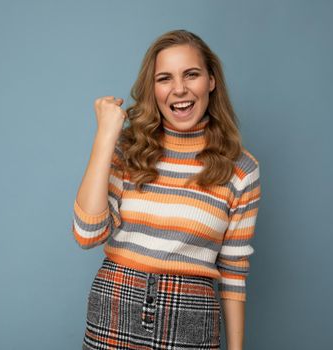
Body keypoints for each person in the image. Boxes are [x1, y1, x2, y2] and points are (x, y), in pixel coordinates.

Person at [72, 29, 261, 350]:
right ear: (153, 88)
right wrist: (105, 137)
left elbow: (233, 272)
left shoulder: (241, 169)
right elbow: (87, 233)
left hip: (191, 322)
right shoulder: (127, 150)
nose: (179, 89)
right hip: (115, 310)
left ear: (211, 81)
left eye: (191, 75)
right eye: (164, 79)